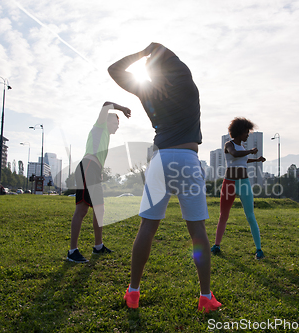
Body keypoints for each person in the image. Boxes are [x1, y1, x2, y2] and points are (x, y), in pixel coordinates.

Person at [108, 42, 221, 312]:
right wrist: (156, 49)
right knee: (197, 232)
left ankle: (133, 292)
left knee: (147, 226)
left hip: (160, 160)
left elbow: (114, 69)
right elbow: (172, 59)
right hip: (187, 159)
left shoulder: (147, 90)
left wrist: (141, 55)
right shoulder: (187, 86)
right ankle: (205, 297)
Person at [66, 101, 131, 263]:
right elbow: (106, 104)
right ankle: (72, 251)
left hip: (93, 170)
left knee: (99, 210)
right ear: (107, 121)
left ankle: (98, 246)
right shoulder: (100, 125)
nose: (117, 126)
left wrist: (99, 172)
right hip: (87, 167)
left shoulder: (105, 136)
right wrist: (121, 109)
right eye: (116, 122)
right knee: (81, 210)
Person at [211, 117, 266, 259]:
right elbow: (234, 154)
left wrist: (256, 160)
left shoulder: (242, 147)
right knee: (223, 215)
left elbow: (243, 159)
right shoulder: (229, 144)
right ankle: (216, 245)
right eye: (246, 132)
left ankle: (258, 249)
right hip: (229, 183)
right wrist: (250, 151)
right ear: (239, 131)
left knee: (250, 215)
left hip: (244, 183)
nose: (248, 134)